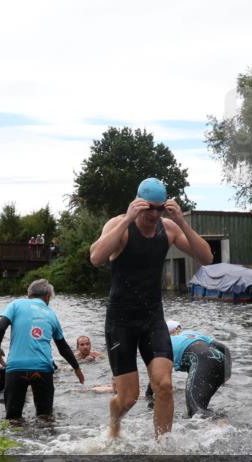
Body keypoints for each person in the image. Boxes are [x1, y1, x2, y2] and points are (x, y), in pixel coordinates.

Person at [89, 178, 213, 438]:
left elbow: (206, 257)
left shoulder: (169, 229)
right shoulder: (119, 225)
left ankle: (162, 447)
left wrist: (182, 222)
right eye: (149, 208)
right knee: (129, 398)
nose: (154, 215)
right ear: (138, 204)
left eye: (159, 209)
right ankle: (114, 422)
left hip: (153, 319)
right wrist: (126, 219)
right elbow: (96, 257)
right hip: (120, 322)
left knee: (164, 385)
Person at [0, 278, 85, 421]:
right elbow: (63, 347)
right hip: (42, 368)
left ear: (29, 294)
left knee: (13, 418)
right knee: (45, 417)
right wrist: (77, 368)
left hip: (16, 368)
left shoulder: (16, 304)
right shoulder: (51, 314)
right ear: (47, 296)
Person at [145, 320, 232, 418]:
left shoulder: (165, 343)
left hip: (201, 358)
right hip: (222, 361)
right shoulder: (191, 333)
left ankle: (221, 421)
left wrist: (148, 395)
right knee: (200, 408)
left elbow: (157, 375)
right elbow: (224, 348)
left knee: (195, 411)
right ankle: (219, 420)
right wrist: (227, 374)